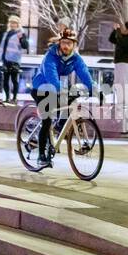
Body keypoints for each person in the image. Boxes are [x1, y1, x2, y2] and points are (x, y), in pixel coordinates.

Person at [30, 27, 95, 169]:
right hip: (41, 88)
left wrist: (94, 90)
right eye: (63, 42)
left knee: (70, 102)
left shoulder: (75, 58)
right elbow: (51, 77)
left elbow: (84, 73)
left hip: (57, 89)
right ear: (59, 43)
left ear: (74, 45)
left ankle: (60, 127)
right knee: (47, 120)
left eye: (69, 43)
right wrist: (62, 90)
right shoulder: (51, 56)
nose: (66, 45)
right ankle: (41, 156)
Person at [0, 15, 28, 105]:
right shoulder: (6, 33)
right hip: (6, 59)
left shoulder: (20, 33)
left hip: (14, 59)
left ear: (18, 24)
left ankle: (14, 98)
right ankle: (7, 98)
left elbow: (25, 46)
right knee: (5, 80)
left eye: (14, 23)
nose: (12, 24)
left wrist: (22, 39)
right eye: (11, 22)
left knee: (14, 79)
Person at [109, 21, 128, 119]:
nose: (121, 29)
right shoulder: (121, 37)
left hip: (125, 63)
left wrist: (117, 30)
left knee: (124, 83)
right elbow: (112, 39)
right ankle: (118, 105)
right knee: (118, 83)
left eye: (123, 27)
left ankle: (125, 106)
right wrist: (114, 30)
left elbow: (121, 42)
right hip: (119, 63)